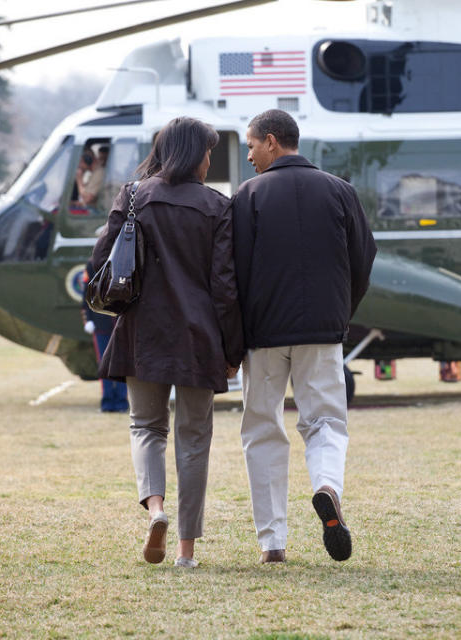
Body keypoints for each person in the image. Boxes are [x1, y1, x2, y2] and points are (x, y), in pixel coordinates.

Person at [87, 117, 244, 568]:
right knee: (194, 439)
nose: (210, 159)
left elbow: (102, 261)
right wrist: (232, 349)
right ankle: (186, 552)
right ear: (196, 154)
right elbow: (225, 286)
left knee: (146, 427)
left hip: (142, 334)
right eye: (209, 152)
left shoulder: (133, 195)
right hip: (199, 338)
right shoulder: (218, 205)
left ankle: (155, 510)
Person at [231, 109, 377, 564]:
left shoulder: (248, 195)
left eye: (252, 145)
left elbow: (233, 271)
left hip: (263, 334)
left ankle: (272, 543)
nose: (250, 155)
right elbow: (363, 259)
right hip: (323, 330)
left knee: (262, 431)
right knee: (326, 422)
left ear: (272, 141)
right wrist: (339, 313)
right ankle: (327, 487)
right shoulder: (340, 192)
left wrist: (236, 336)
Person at [81, 262, 129, 412]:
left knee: (122, 363)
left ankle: (121, 401)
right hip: (101, 322)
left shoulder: (125, 259)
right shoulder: (92, 263)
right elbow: (86, 292)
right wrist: (87, 318)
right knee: (103, 363)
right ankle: (107, 401)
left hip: (121, 321)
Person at [75, 143, 108, 208]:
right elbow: (86, 192)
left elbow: (87, 200)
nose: (79, 166)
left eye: (80, 162)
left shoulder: (99, 174)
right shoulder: (94, 174)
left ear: (87, 160)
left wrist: (79, 179)